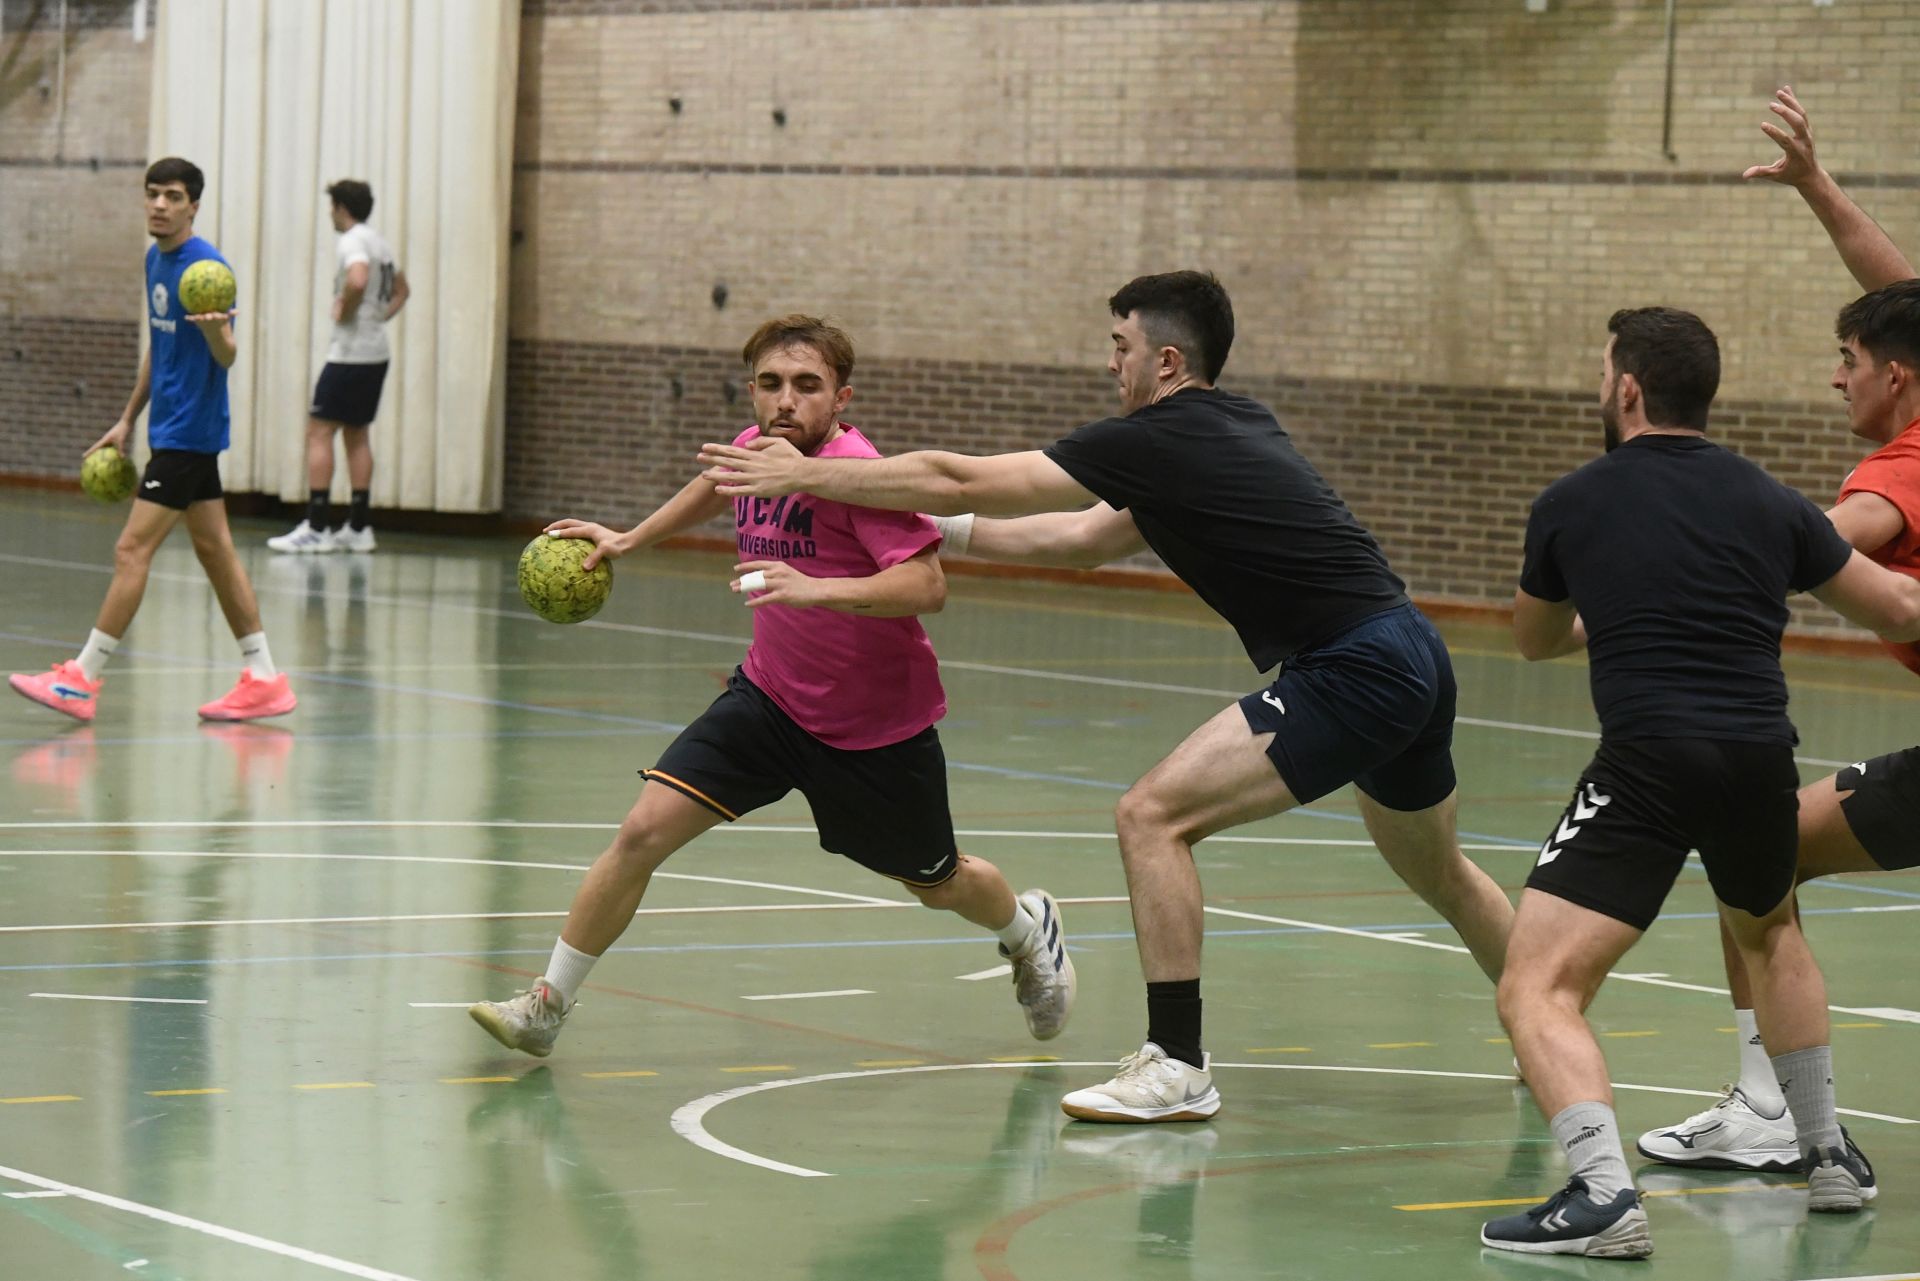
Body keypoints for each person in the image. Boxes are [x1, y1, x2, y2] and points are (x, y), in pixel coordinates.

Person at [698, 271, 1515, 1124]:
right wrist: (939, 533)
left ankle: (1179, 1062)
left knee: (1150, 815)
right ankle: (1543, 1015)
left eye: (1118, 348)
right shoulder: (1231, 425)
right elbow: (1087, 537)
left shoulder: (1157, 436)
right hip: (1413, 647)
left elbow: (959, 477)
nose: (1110, 366)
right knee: (1443, 873)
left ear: (1165, 361)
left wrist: (818, 478)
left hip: (1355, 668)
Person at [469, 315, 1074, 1055]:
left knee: (939, 881)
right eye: (771, 384)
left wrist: (819, 590)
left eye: (807, 385)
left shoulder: (862, 476)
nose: (786, 400)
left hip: (874, 731)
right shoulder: (760, 449)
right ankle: (547, 1003)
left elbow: (927, 583)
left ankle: (1026, 926)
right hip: (768, 700)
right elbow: (713, 482)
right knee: (640, 832)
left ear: (841, 398)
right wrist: (629, 536)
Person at [1480, 307, 1920, 1258]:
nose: (1602, 385)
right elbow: (1899, 601)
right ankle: (1828, 1155)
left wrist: (1622, 599)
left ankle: (1601, 1195)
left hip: (1648, 761)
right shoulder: (1774, 502)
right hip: (1761, 755)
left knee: (1535, 981)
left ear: (1628, 387)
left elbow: (1534, 638)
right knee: (1769, 928)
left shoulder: (1573, 500)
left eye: (1605, 371)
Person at [1638, 90, 1920, 1174]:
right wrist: (1816, 186)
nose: (1835, 373)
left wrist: (1672, 552)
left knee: (1757, 850)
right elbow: (1903, 294)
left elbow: (1826, 542)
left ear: (1891, 378)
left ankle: (1771, 1106)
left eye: (1845, 358)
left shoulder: (1897, 476)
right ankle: (1770, 1107)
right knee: (1770, 850)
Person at [9, 157, 296, 725]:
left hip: (190, 432)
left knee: (129, 550)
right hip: (170, 427)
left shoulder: (206, 269)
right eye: (153, 195)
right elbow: (160, 348)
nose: (160, 205)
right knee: (215, 551)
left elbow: (227, 355)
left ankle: (81, 679)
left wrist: (217, 329)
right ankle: (263, 677)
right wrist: (127, 418)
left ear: (193, 205)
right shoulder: (154, 260)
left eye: (172, 196)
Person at [267, 179, 408, 554]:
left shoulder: (352, 241)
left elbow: (358, 278)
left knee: (319, 431)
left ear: (342, 207)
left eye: (332, 206)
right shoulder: (380, 242)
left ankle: (316, 526)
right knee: (356, 433)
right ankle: (359, 527)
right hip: (375, 350)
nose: (330, 213)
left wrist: (344, 310)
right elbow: (402, 290)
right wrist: (378, 319)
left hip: (349, 354)